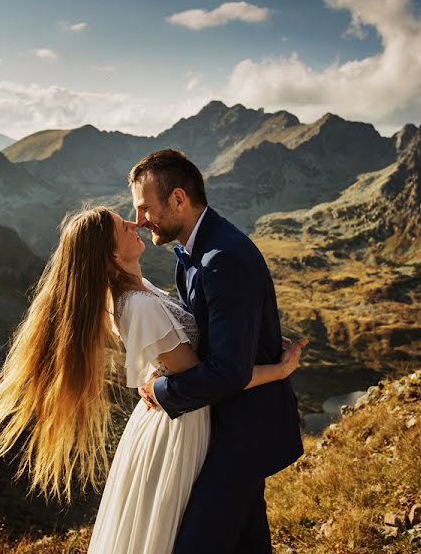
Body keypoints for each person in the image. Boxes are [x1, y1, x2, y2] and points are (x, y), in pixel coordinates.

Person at [0, 204, 303, 552]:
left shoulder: (141, 290)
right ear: (111, 253)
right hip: (181, 428)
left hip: (183, 416)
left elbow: (205, 346)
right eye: (123, 225)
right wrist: (279, 370)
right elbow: (212, 381)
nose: (135, 223)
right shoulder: (138, 306)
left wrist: (248, 339)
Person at [130, 149, 304, 553]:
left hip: (242, 434)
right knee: (247, 543)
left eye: (144, 208)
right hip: (224, 427)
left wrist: (161, 392)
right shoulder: (193, 253)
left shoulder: (221, 258)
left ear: (178, 199)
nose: (139, 220)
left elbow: (228, 371)